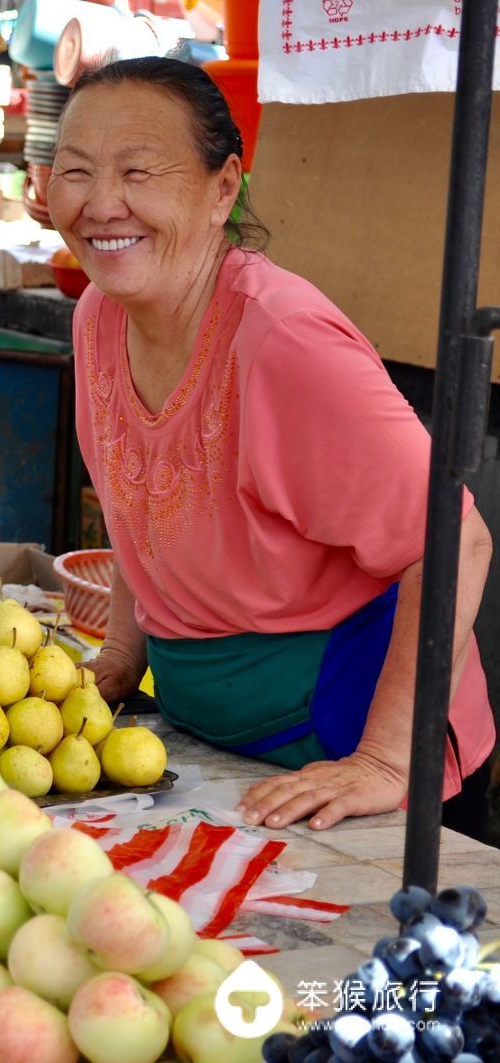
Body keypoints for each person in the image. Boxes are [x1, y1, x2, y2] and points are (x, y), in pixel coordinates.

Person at [48, 57, 496, 836]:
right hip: (213, 749)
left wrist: (388, 762)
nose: (100, 203)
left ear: (224, 188)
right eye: (75, 171)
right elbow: (138, 498)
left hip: (350, 753)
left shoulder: (282, 343)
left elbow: (457, 538)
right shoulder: (99, 316)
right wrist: (122, 652)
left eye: (138, 172)